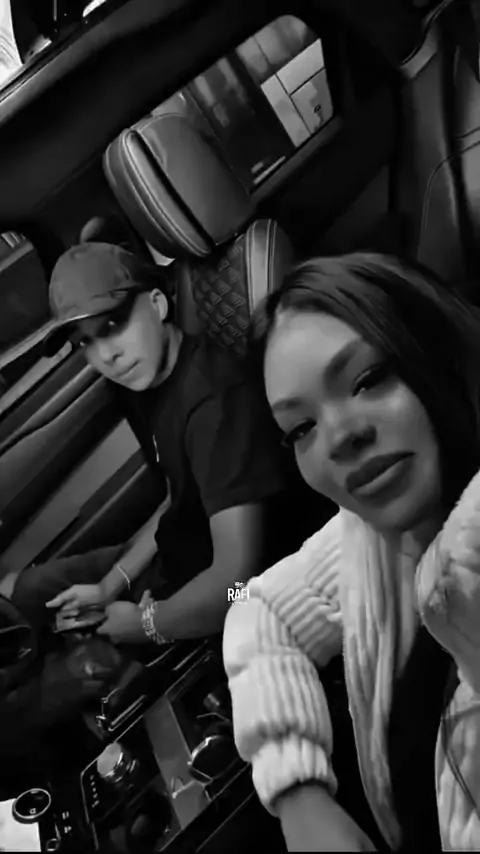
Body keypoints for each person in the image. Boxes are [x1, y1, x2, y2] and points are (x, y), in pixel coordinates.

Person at [223, 253, 480, 852]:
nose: (340, 438)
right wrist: (297, 790)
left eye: (369, 379)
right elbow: (253, 598)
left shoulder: (204, 404)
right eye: (300, 429)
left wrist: (154, 620)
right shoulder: (368, 534)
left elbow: (227, 581)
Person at [11, 241, 297, 647]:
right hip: (173, 558)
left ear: (158, 304)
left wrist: (150, 624)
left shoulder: (216, 403)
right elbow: (176, 500)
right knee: (16, 593)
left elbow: (239, 579)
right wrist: (111, 584)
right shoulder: (145, 386)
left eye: (113, 325)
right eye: (85, 342)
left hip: (245, 592)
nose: (105, 355)